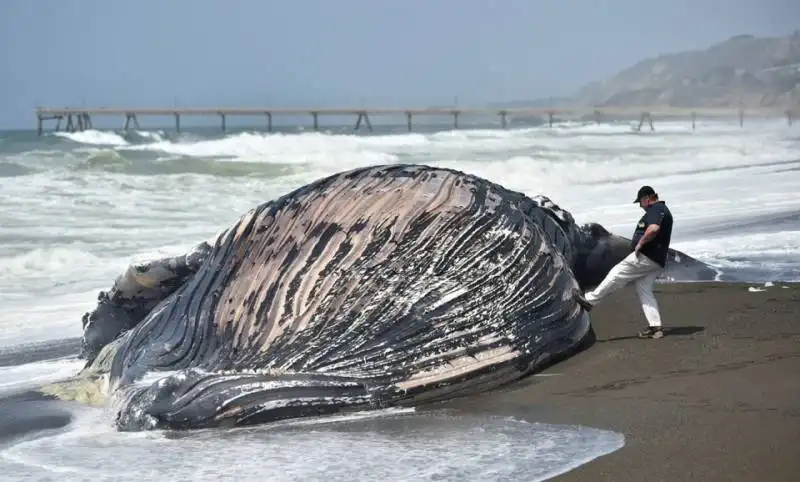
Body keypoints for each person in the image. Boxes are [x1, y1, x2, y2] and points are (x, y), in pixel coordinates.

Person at [576, 185, 674, 339]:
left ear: (646, 199)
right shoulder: (662, 210)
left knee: (617, 273)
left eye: (640, 202)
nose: (641, 206)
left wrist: (641, 243)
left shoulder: (656, 209)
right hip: (657, 261)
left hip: (647, 257)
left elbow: (653, 229)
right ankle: (656, 327)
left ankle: (590, 300)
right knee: (644, 289)